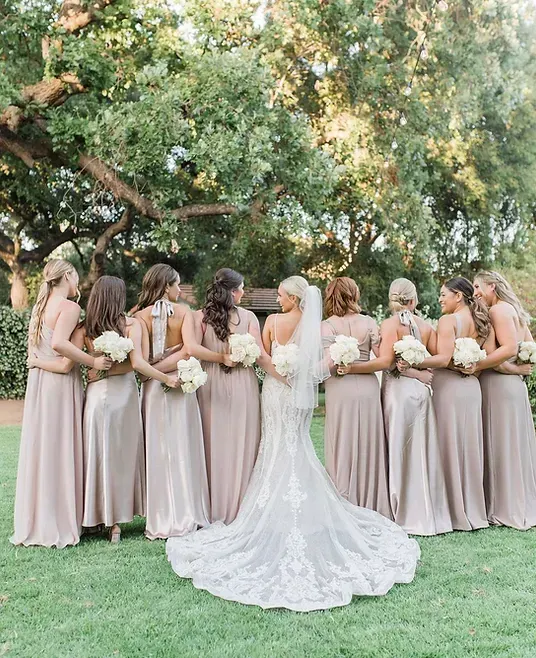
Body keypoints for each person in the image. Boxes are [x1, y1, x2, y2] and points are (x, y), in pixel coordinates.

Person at [166, 275, 419, 612]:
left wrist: (283, 377)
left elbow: (262, 357)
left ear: (295, 298)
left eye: (282, 295)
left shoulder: (270, 321)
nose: (278, 301)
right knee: (293, 446)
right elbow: (323, 364)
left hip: (276, 390)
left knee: (278, 447)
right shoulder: (314, 324)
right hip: (296, 394)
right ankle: (303, 516)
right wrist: (299, 379)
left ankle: (274, 517)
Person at [11, 259, 112, 548]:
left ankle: (39, 518)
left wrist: (37, 363)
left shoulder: (40, 308)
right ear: (67, 276)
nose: (77, 279)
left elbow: (40, 351)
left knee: (43, 447)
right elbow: (59, 345)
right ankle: (58, 520)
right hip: (58, 385)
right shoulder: (70, 307)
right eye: (75, 275)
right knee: (60, 447)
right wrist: (92, 360)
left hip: (40, 382)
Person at [134, 264, 210, 539]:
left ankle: (160, 517)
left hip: (155, 386)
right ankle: (188, 511)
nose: (180, 290)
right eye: (177, 284)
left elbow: (142, 363)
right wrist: (169, 368)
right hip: (181, 383)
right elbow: (189, 350)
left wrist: (155, 371)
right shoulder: (184, 313)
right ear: (166, 286)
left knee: (158, 449)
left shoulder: (138, 316)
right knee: (183, 447)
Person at [409, 277, 490, 530]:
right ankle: (473, 509)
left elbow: (443, 359)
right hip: (472, 388)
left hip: (449, 389)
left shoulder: (447, 321)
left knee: (446, 446)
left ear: (458, 296)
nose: (440, 298)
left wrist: (413, 362)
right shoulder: (481, 320)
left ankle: (450, 510)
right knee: (469, 448)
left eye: (444, 294)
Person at [186, 268, 262, 524]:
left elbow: (256, 352)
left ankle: (238, 506)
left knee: (237, 441)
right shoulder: (200, 317)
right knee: (214, 442)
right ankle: (218, 507)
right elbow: (191, 348)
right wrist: (224, 357)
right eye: (241, 288)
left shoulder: (207, 316)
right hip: (215, 385)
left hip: (234, 383)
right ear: (232, 291)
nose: (243, 292)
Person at [380, 278, 452, 536]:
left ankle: (400, 509)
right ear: (414, 300)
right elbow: (439, 358)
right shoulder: (425, 326)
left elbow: (387, 363)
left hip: (397, 393)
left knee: (398, 447)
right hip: (421, 393)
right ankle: (427, 511)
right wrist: (419, 370)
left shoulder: (389, 325)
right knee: (422, 450)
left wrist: (406, 369)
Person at [467, 271, 536, 530]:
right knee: (514, 445)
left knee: (501, 445)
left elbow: (506, 349)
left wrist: (475, 366)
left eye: (477, 286)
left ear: (492, 287)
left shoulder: (498, 311)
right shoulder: (515, 311)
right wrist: (519, 369)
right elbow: (528, 347)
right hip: (514, 388)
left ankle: (505, 506)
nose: (475, 292)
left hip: (498, 386)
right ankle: (520, 501)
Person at [322, 277, 391, 518]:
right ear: (354, 294)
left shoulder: (327, 325)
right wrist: (359, 367)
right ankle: (371, 501)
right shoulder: (369, 322)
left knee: (341, 441)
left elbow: (326, 366)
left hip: (340, 387)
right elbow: (383, 361)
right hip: (368, 386)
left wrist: (347, 368)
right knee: (368, 440)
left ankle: (343, 501)